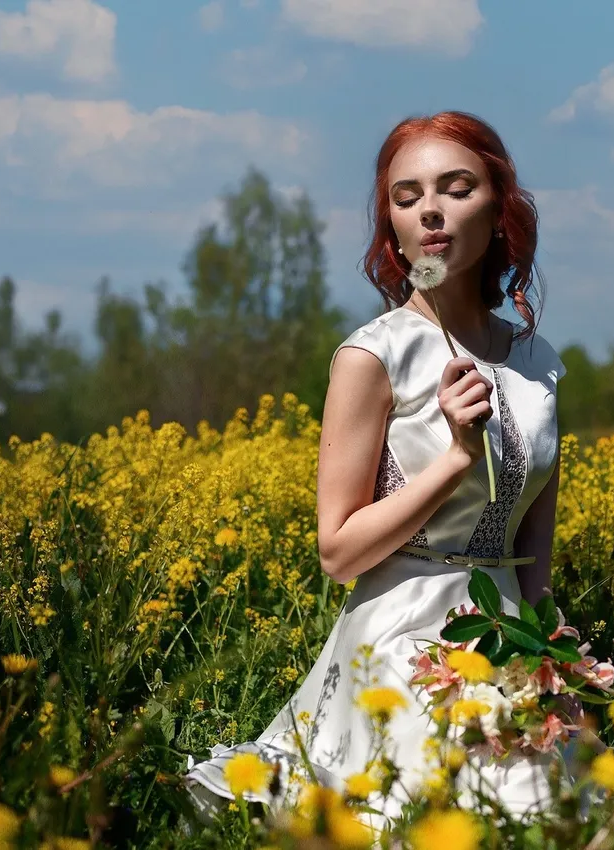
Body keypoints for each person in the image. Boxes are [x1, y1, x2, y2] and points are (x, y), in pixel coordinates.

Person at [182, 110, 569, 829]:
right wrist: (454, 458)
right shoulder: (373, 356)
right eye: (405, 195)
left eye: (457, 187)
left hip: (509, 636)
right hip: (400, 640)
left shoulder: (540, 364)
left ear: (500, 208)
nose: (430, 209)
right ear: (392, 228)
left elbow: (535, 548)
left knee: (552, 818)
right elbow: (338, 552)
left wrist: (553, 658)